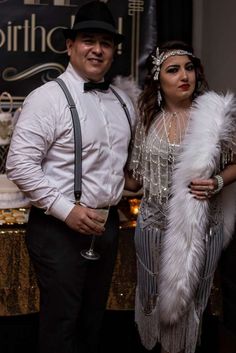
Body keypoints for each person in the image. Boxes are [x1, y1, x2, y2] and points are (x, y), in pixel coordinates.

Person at [6, 2, 136, 353]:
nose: (97, 49)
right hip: (58, 230)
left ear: (113, 51)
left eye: (105, 43)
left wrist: (127, 183)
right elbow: (19, 164)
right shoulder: (46, 99)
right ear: (70, 45)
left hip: (106, 227)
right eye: (88, 40)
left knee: (93, 321)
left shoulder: (124, 102)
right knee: (61, 326)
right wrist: (67, 210)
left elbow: (111, 165)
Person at [125, 40, 236, 353]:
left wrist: (216, 181)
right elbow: (134, 177)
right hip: (153, 225)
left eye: (189, 68)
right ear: (158, 78)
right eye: (173, 70)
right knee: (152, 294)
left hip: (203, 227)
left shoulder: (216, 118)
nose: (184, 75)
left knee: (192, 299)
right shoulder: (146, 117)